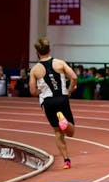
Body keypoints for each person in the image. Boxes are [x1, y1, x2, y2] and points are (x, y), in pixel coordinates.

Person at [28, 37, 78, 170]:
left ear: (37, 52)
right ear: (49, 49)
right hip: (62, 98)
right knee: (70, 132)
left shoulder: (35, 70)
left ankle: (66, 160)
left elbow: (32, 91)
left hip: (48, 102)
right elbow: (74, 77)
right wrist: (70, 89)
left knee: (57, 132)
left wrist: (42, 90)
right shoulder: (60, 63)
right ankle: (65, 123)